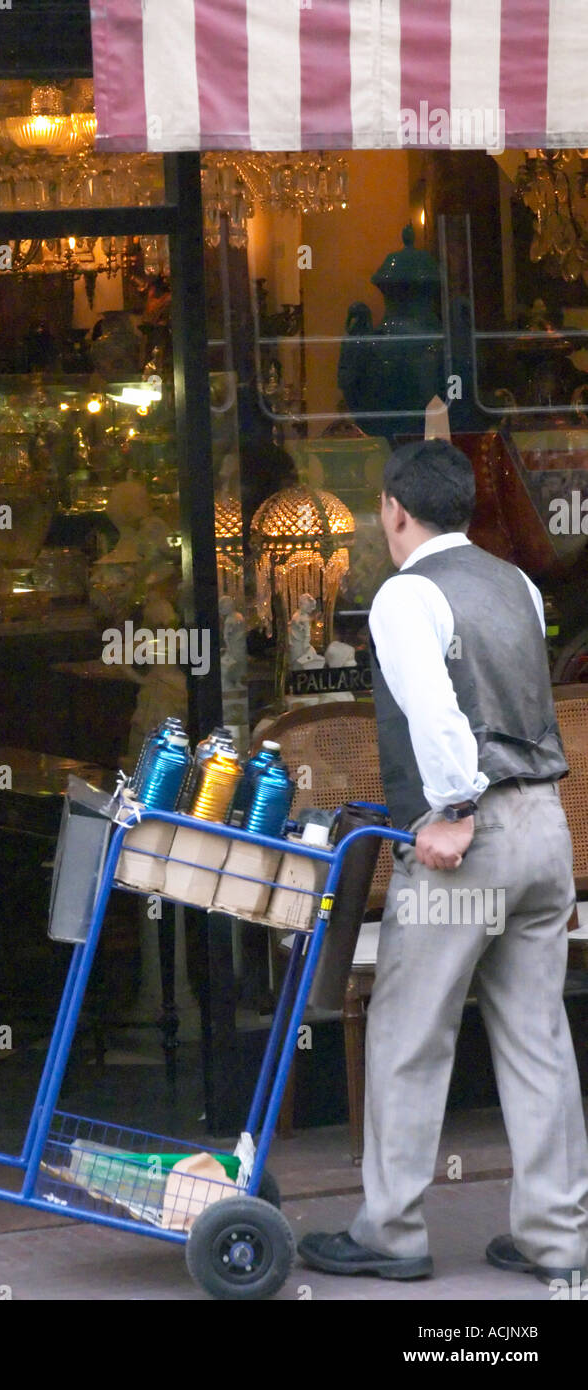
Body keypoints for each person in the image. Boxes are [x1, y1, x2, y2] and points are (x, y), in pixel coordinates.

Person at [298, 438, 588, 1284]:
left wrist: (453, 810)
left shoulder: (404, 595)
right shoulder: (518, 585)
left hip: (471, 844)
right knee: (536, 1039)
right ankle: (556, 1240)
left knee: (406, 1030)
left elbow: (435, 713)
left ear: (393, 508)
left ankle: (390, 1233)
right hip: (543, 832)